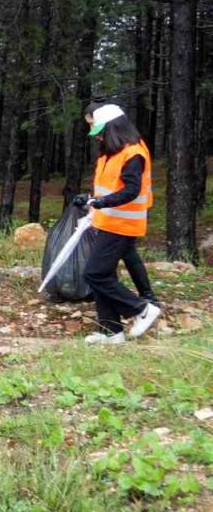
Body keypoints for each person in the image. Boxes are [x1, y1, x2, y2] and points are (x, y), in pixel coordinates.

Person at [74, 103, 162, 345]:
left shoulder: (133, 153)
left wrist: (101, 201)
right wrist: (91, 199)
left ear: (114, 127)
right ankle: (111, 331)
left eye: (101, 131)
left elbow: (132, 190)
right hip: (107, 221)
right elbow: (108, 185)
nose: (98, 136)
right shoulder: (111, 151)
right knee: (103, 273)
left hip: (123, 224)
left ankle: (141, 308)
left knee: (94, 273)